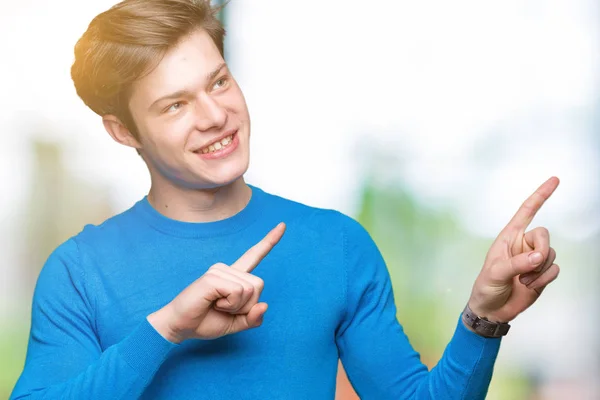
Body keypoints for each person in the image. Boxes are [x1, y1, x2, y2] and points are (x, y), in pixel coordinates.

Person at [11, 0, 561, 399]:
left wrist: (482, 319)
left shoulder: (337, 245)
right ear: (123, 131)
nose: (214, 116)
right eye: (175, 105)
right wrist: (167, 329)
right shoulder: (80, 272)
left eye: (219, 82)